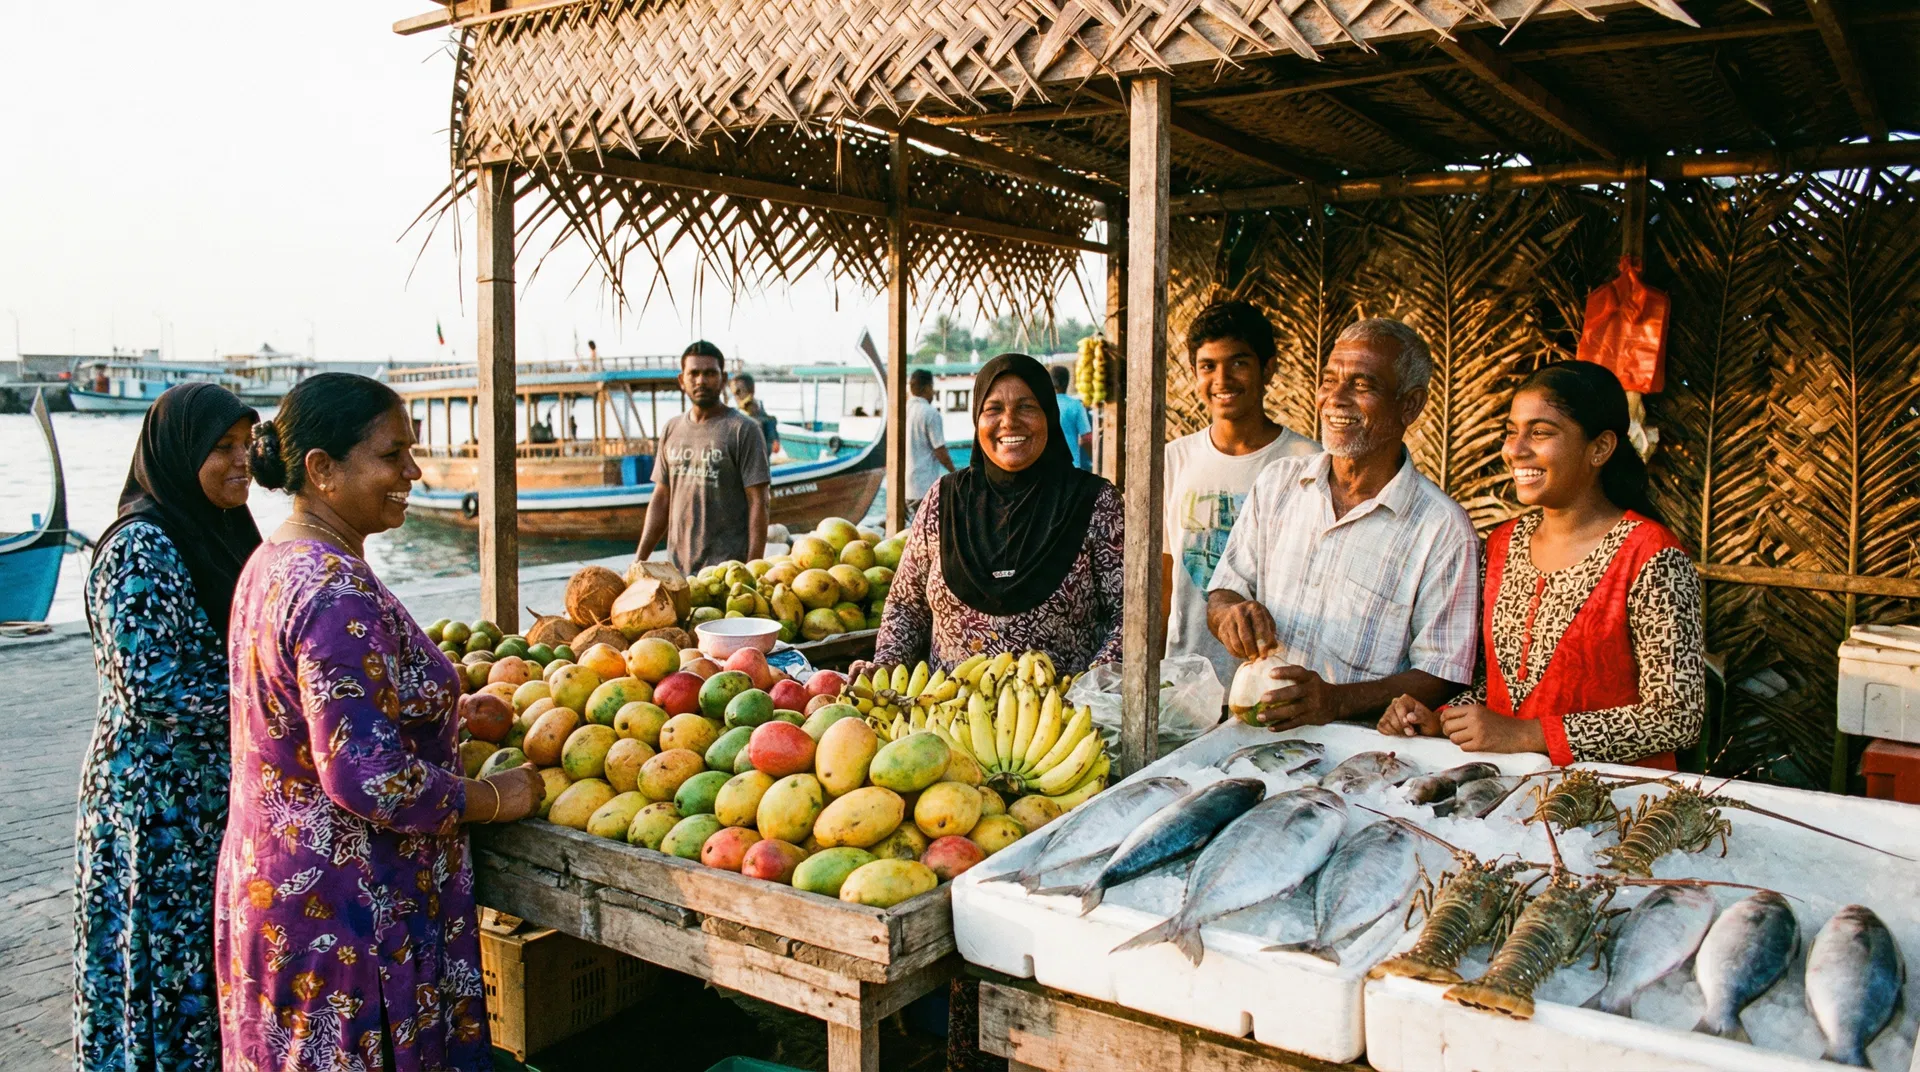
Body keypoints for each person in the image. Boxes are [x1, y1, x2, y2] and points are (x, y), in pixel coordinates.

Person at [216, 373, 545, 1072]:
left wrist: (442, 713)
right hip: (349, 919)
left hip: (278, 889)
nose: (413, 472)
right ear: (322, 469)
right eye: (393, 455)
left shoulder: (274, 561)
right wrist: (490, 799)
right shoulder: (335, 589)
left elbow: (310, 712)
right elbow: (367, 778)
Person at [1379, 362, 1705, 768]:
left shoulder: (1653, 556)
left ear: (1600, 448)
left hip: (1612, 802)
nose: (1515, 450)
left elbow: (1677, 716)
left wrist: (1530, 734)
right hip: (1507, 787)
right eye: (1511, 431)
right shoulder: (1503, 544)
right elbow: (1497, 687)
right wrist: (1439, 719)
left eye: (1540, 432)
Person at [73, 384, 260, 1072]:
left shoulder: (224, 529)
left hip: (210, 802)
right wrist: (277, 696)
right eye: (222, 448)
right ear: (180, 453)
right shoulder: (140, 546)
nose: (242, 462)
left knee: (207, 977)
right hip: (156, 810)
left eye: (248, 445)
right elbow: (156, 690)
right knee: (163, 974)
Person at [1207, 318, 1479, 730]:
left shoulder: (1442, 529)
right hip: (1252, 732)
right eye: (1329, 380)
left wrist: (1337, 701)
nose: (1335, 398)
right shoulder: (1279, 483)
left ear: (1410, 405)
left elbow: (1441, 673)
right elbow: (1226, 589)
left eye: (1362, 385)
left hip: (1360, 757)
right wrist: (1230, 613)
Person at [871, 353, 1124, 674]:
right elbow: (906, 606)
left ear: (1049, 414)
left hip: (1065, 716)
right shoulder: (943, 500)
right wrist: (884, 668)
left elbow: (1128, 613)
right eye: (993, 409)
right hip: (945, 715)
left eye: (1026, 407)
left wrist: (1093, 691)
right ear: (978, 419)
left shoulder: (1096, 502)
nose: (1009, 421)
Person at [1162, 300, 1319, 685]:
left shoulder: (1308, 462)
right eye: (1207, 366)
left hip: (1272, 678)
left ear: (1268, 369)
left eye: (1239, 363)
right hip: (1186, 677)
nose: (1222, 380)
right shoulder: (1174, 459)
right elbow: (1165, 576)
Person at [638, 341, 770, 572]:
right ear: (682, 380)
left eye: (710, 373)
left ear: (723, 378)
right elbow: (661, 498)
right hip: (677, 571)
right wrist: (639, 560)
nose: (701, 380)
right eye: (694, 373)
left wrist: (752, 570)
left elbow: (759, 502)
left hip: (726, 573)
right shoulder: (672, 428)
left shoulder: (743, 429)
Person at [906, 367, 956, 521]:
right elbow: (939, 451)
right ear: (927, 387)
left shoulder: (902, 410)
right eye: (932, 388)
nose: (933, 393)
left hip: (903, 486)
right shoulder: (930, 413)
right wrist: (955, 474)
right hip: (923, 485)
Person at [1050, 363, 1092, 470]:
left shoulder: (1041, 405)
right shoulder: (1076, 405)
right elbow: (1086, 438)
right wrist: (1092, 459)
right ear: (1067, 383)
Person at [731, 371, 781, 455]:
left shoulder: (767, 421)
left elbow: (774, 447)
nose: (736, 396)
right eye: (733, 393)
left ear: (751, 392)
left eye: (738, 391)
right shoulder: (731, 418)